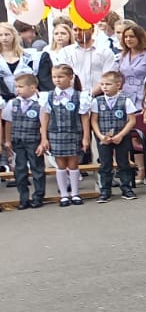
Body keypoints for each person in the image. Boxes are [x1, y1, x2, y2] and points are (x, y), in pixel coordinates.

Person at [90, 70, 140, 202]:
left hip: (121, 137)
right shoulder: (97, 101)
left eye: (108, 84)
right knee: (105, 164)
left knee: (123, 163)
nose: (104, 87)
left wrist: (121, 135)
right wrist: (100, 136)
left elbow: (132, 120)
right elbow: (94, 120)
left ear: (118, 85)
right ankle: (105, 190)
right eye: (102, 84)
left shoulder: (125, 100)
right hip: (104, 138)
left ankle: (126, 188)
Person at [45, 64, 89, 206]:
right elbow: (45, 117)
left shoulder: (79, 96)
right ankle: (64, 195)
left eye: (61, 76)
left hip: (74, 133)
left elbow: (84, 118)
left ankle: (75, 193)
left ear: (70, 77)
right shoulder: (49, 96)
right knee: (60, 164)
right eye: (54, 77)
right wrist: (44, 137)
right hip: (56, 134)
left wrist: (86, 137)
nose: (57, 80)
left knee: (73, 164)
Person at [2, 72, 48, 209]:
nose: (17, 89)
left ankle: (38, 197)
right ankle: (23, 198)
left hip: (33, 141)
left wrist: (43, 142)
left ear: (32, 87)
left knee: (37, 169)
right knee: (20, 170)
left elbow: (43, 125)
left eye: (21, 87)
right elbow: (8, 122)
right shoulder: (13, 103)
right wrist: (7, 140)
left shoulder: (40, 104)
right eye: (16, 86)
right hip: (17, 141)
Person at [0, 21, 52, 103]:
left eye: (7, 34)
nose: (4, 38)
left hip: (29, 100)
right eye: (1, 35)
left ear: (14, 35)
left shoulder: (30, 56)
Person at [114, 24, 146, 105]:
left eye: (132, 36)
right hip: (125, 95)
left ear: (140, 38)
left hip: (144, 94)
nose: (128, 39)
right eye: (126, 37)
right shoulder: (120, 57)